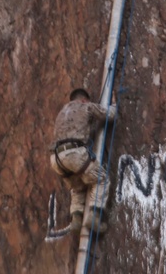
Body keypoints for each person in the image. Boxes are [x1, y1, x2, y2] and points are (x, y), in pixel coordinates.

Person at [50, 87, 116, 233]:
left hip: (56, 158)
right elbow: (110, 115)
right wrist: (114, 104)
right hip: (74, 153)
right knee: (101, 178)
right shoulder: (86, 106)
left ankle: (76, 218)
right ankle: (95, 216)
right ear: (84, 99)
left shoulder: (62, 112)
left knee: (77, 186)